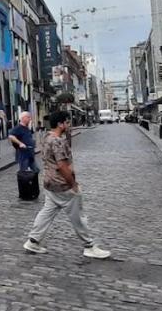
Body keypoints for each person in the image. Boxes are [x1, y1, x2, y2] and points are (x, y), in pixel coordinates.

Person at [23, 110, 111, 259]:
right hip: (62, 185)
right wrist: (73, 184)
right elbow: (62, 165)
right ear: (60, 124)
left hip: (50, 183)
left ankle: (33, 241)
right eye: (67, 122)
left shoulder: (47, 138)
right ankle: (89, 245)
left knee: (47, 213)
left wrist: (68, 136)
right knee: (78, 216)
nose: (69, 125)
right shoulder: (57, 141)